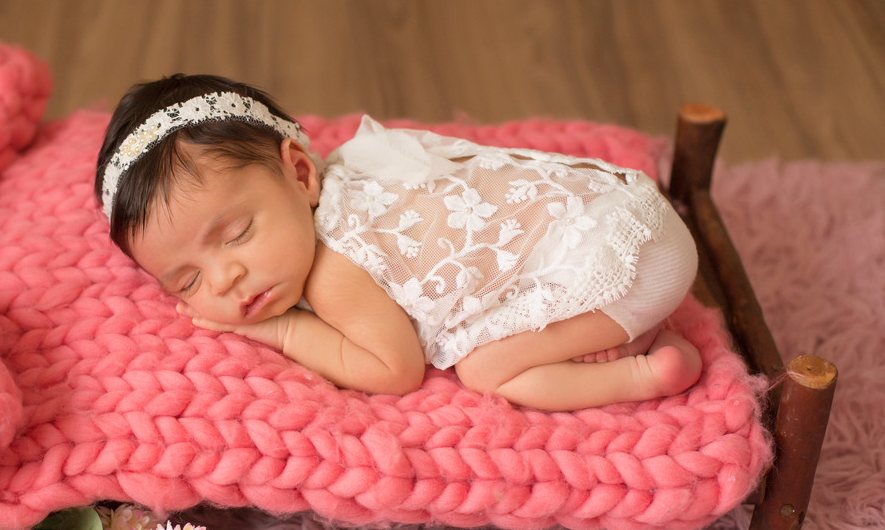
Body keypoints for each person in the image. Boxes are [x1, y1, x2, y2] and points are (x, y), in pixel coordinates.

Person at [95, 74, 702, 410]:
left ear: (301, 173)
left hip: (629, 259)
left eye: (237, 234)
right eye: (188, 281)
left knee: (485, 369)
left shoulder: (333, 270)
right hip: (627, 211)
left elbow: (395, 370)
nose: (225, 278)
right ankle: (611, 329)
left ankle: (646, 373)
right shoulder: (353, 171)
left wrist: (283, 331)